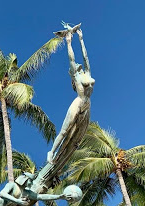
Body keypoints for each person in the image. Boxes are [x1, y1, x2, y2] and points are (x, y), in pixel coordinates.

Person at [47, 23, 95, 164]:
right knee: (65, 130)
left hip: (87, 104)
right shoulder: (77, 76)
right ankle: (52, 151)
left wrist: (81, 39)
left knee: (77, 137)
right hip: (79, 101)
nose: (79, 67)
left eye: (80, 67)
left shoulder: (87, 73)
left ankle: (63, 155)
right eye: (77, 67)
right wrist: (68, 42)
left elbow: (85, 57)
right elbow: (72, 59)